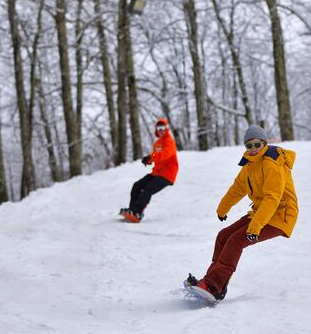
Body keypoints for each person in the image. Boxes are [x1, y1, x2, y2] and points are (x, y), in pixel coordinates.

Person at [184, 125, 299, 302]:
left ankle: (214, 285)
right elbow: (237, 189)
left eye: (256, 144)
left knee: (236, 241)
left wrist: (255, 228)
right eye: (248, 146)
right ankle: (211, 282)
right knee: (223, 236)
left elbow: (272, 198)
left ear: (264, 144)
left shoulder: (272, 164)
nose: (253, 149)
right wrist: (222, 209)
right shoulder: (249, 165)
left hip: (280, 215)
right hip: (261, 213)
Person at [120, 118, 178, 223]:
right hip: (157, 173)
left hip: (168, 174)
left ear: (167, 128)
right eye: (159, 127)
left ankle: (137, 213)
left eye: (163, 127)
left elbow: (164, 155)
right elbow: (157, 157)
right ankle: (132, 210)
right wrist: (149, 160)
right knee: (137, 185)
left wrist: (151, 156)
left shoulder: (169, 141)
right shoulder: (157, 143)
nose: (161, 130)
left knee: (148, 189)